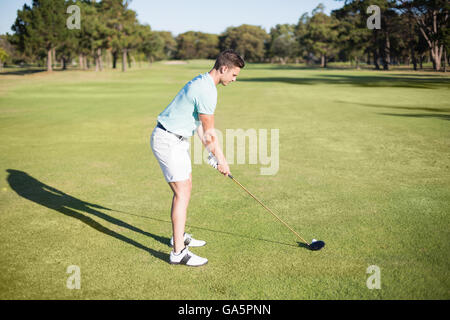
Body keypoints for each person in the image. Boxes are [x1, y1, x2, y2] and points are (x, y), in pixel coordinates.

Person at [150, 49, 245, 267]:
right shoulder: (207, 90)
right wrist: (221, 159)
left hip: (177, 139)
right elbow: (210, 131)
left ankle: (179, 235)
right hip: (168, 140)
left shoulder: (203, 82)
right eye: (234, 75)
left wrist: (211, 154)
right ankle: (178, 252)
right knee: (181, 192)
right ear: (223, 68)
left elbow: (201, 128)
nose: (234, 79)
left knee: (186, 187)